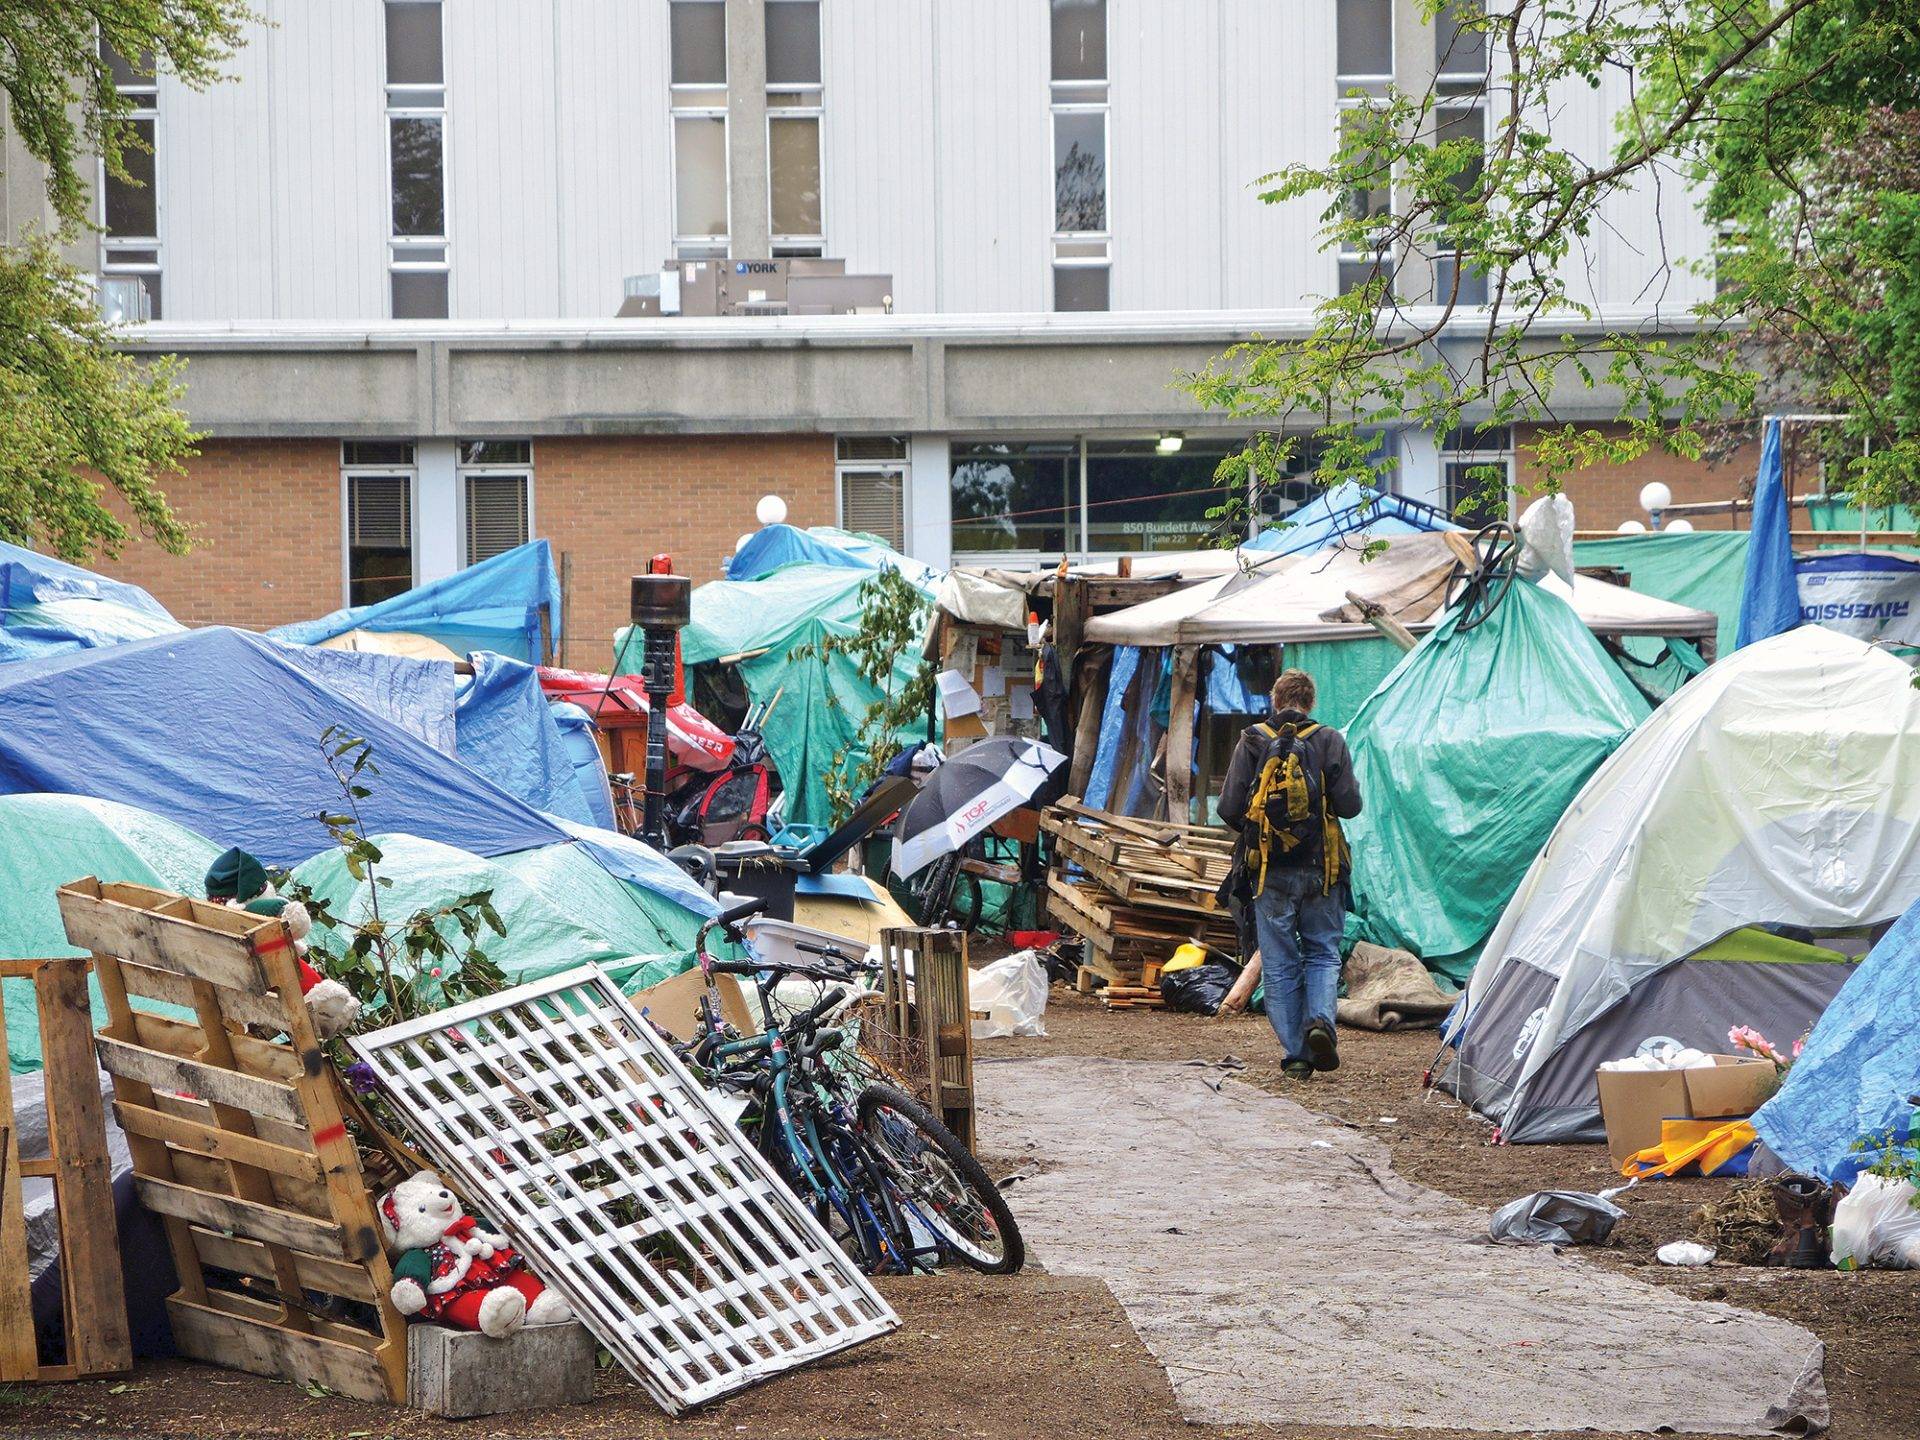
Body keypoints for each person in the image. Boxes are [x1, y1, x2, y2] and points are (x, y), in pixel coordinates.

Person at [1217, 669, 1363, 1079]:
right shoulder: (1330, 739)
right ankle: (1320, 1021)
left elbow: (1228, 808)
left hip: (1269, 872)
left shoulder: (1252, 739)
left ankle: (1297, 1055)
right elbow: (1350, 805)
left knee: (1280, 961)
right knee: (1321, 951)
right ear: (1311, 702)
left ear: (1274, 698)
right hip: (1323, 869)